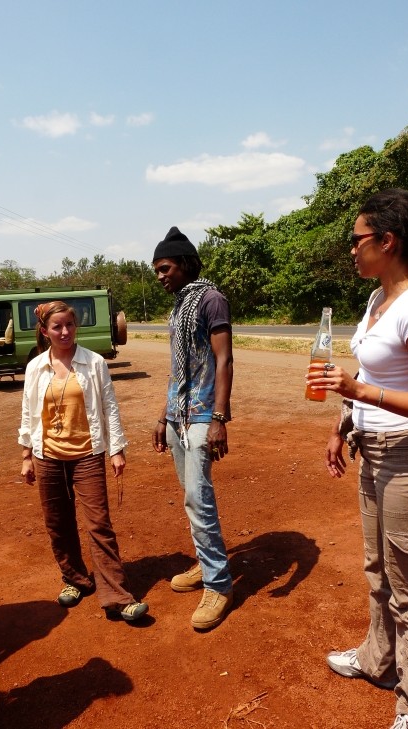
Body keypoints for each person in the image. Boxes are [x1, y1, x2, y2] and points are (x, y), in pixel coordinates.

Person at [306, 189, 408, 729]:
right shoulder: (377, 301)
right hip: (374, 451)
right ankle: (379, 659)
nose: (352, 249)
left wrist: (361, 393)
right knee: (379, 570)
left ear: (387, 241)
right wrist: (342, 424)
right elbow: (371, 374)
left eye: (357, 239)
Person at [18, 300, 148, 621]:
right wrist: (26, 455)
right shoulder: (36, 367)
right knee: (57, 523)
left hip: (88, 454)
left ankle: (117, 595)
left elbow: (109, 406)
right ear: (45, 331)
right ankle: (75, 578)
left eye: (69, 325)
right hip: (47, 455)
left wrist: (116, 449)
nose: (65, 332)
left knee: (99, 524)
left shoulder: (94, 362)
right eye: (57, 327)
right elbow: (28, 411)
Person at [152, 226, 234, 630]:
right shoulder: (179, 305)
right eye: (156, 271)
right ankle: (205, 564)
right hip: (178, 416)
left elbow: (224, 360)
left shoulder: (211, 300)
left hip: (202, 417)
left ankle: (219, 585)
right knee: (190, 497)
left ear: (185, 264)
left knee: (199, 499)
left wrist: (219, 418)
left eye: (165, 268)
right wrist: (162, 415)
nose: (160, 276)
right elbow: (178, 368)